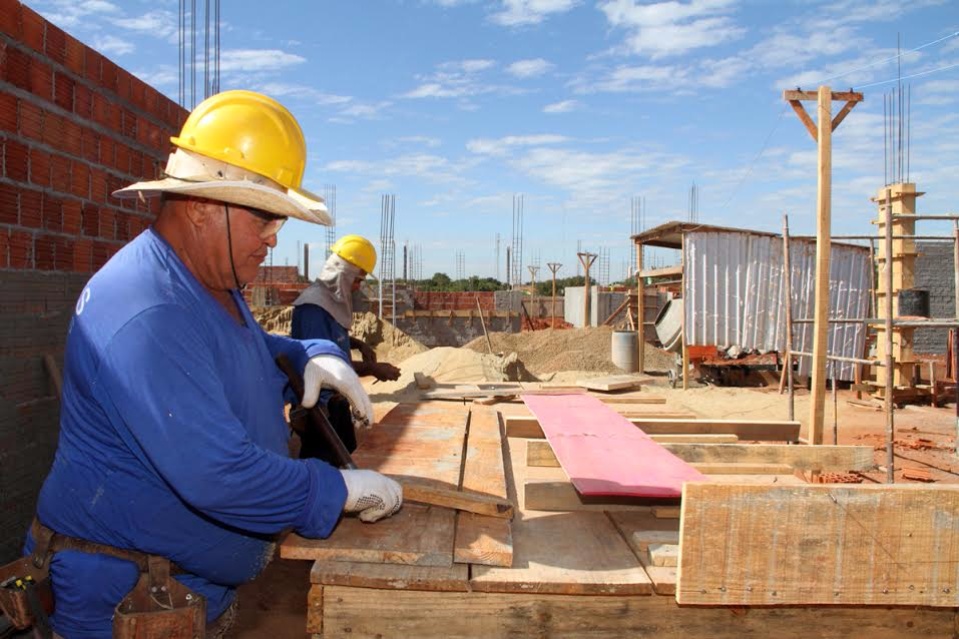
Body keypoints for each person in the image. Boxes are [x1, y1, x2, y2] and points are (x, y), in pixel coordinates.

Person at [23, 90, 402, 638]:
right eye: (264, 218)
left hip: (177, 592)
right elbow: (217, 475)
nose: (275, 238)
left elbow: (235, 351)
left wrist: (307, 353)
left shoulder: (207, 281)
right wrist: (336, 490)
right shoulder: (146, 308)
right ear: (202, 207)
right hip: (120, 606)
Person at [290, 236, 401, 460]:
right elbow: (325, 366)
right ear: (343, 274)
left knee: (348, 460)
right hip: (318, 411)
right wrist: (373, 369)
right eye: (357, 280)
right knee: (324, 468)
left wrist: (357, 343)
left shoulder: (330, 303)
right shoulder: (314, 307)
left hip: (335, 406)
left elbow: (331, 338)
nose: (358, 287)